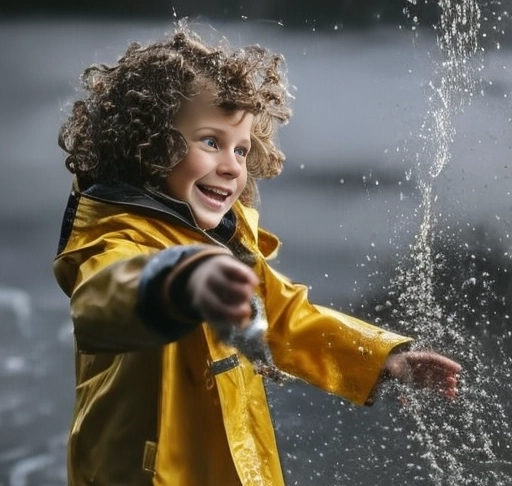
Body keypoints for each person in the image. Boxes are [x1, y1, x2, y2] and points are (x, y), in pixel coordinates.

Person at [53, 23, 461, 486]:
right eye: (210, 141)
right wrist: (173, 280)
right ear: (144, 143)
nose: (232, 167)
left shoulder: (227, 240)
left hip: (236, 466)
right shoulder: (115, 239)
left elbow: (286, 318)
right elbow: (101, 302)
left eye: (242, 149)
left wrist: (380, 359)